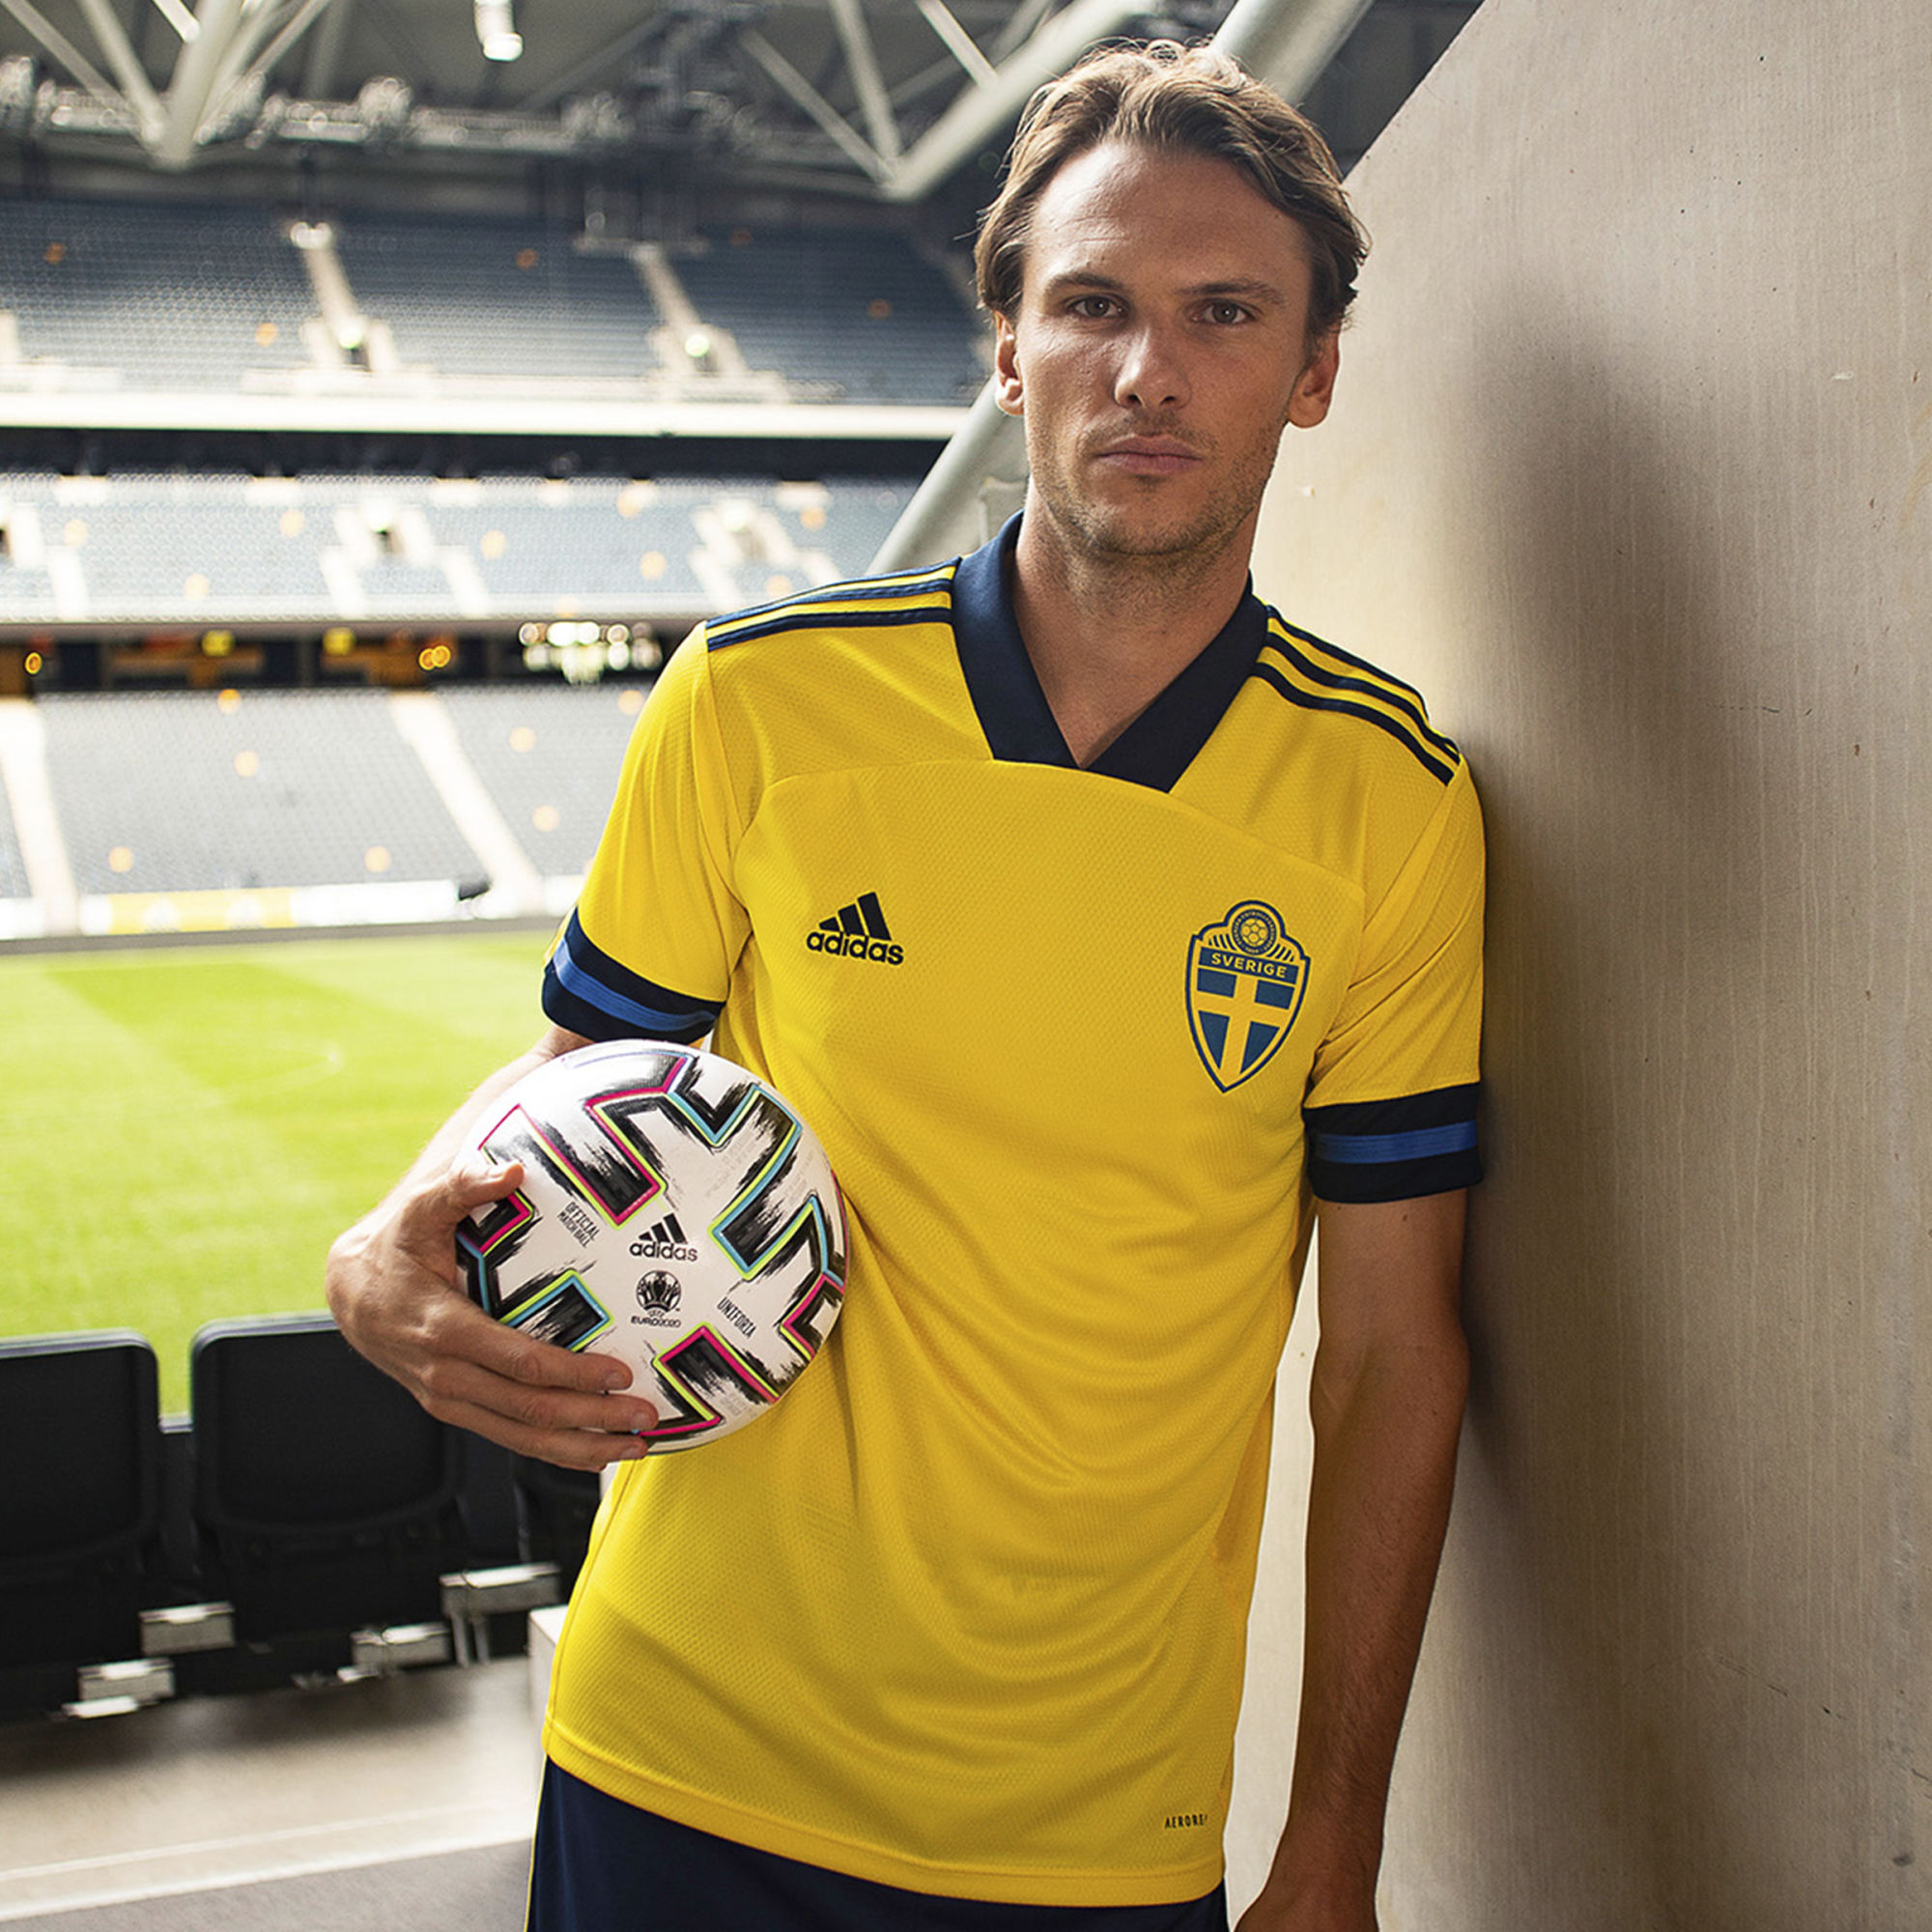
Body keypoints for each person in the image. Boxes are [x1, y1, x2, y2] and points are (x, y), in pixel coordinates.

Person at [327, 38, 1482, 1932]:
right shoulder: (755, 700)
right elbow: (565, 1103)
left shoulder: (1393, 811)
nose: (1149, 369)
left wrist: (1336, 1837)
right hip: (676, 1745)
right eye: (1091, 304)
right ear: (1006, 348)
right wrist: (377, 1244)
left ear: (1316, 369)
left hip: (1088, 1817)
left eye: (1224, 313)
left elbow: (1389, 1359)